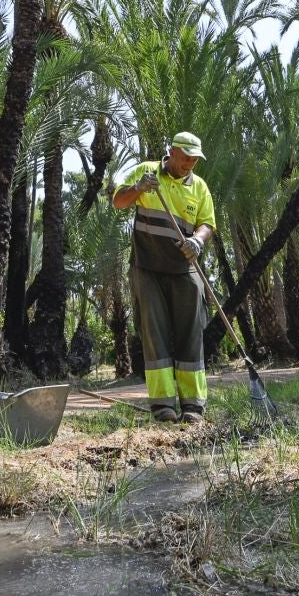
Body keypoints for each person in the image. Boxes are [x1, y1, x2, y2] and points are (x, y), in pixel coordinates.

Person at [112, 132, 217, 422]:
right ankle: (163, 407)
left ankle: (193, 406)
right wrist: (139, 187)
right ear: (172, 152)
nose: (190, 164)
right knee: (154, 334)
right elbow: (118, 201)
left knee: (191, 334)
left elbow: (207, 223)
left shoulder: (199, 187)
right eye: (186, 158)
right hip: (147, 269)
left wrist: (197, 240)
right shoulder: (146, 171)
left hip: (185, 269)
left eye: (195, 160)